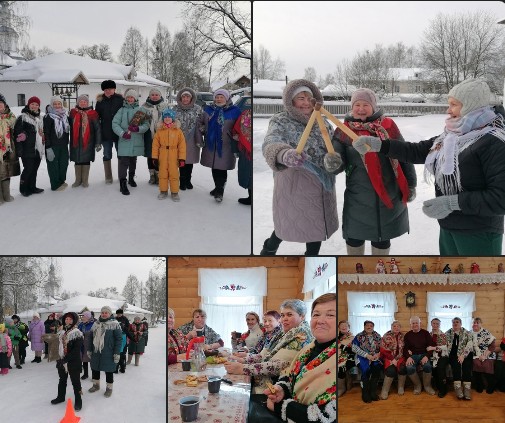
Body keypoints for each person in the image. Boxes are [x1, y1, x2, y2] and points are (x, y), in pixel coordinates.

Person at [353, 78, 505, 255]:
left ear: (470, 106)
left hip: (479, 233)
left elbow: (500, 198)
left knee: (476, 282)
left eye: (454, 105)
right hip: (449, 227)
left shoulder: (494, 142)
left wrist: (452, 203)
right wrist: (380, 145)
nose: (448, 110)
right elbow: (418, 150)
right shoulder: (452, 136)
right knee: (450, 281)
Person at [333, 88, 416, 255]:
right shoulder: (344, 130)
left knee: (382, 236)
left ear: (374, 106)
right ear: (352, 106)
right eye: (357, 104)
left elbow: (403, 154)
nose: (361, 109)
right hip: (358, 197)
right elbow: (337, 162)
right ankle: (355, 273)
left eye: (366, 104)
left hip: (389, 192)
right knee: (354, 236)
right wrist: (333, 162)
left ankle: (378, 274)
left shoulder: (388, 126)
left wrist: (411, 184)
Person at [261, 79, 340, 256]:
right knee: (289, 223)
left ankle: (311, 259)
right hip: (295, 182)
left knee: (316, 225)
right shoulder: (281, 120)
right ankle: (268, 250)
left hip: (323, 182)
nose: (306, 102)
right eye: (300, 98)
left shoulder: (323, 121)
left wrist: (337, 157)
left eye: (309, 98)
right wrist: (284, 154)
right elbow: (270, 143)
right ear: (291, 100)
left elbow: (335, 144)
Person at [253, 293, 336, 423]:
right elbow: (291, 374)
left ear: (302, 317)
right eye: (316, 314)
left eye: (330, 315)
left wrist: (280, 406)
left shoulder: (301, 335)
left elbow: (327, 415)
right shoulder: (309, 348)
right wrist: (282, 388)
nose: (320, 320)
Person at [225, 299, 313, 394]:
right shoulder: (284, 332)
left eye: (289, 314)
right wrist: (243, 361)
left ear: (302, 316)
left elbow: (280, 365)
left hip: (278, 388)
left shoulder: (302, 334)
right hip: (266, 379)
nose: (284, 319)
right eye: (282, 315)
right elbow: (264, 354)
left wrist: (243, 368)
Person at [200, 88, 241, 202]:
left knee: (222, 168)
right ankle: (217, 187)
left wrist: (236, 135)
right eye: (217, 97)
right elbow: (201, 122)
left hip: (225, 144)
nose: (218, 99)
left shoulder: (235, 111)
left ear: (227, 98)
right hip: (211, 143)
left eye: (221, 97)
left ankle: (219, 192)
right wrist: (203, 129)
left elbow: (240, 126)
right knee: (214, 166)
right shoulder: (208, 110)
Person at [112, 88, 149, 195]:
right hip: (124, 139)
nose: (130, 99)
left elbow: (146, 124)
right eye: (128, 97)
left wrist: (138, 129)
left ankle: (131, 178)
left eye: (132, 97)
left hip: (136, 140)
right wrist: (122, 133)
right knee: (123, 162)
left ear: (135, 98)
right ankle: (122, 183)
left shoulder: (141, 110)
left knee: (133, 160)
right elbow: (115, 124)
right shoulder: (121, 110)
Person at [50, 312, 83, 411]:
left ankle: (78, 401)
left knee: (75, 382)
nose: (68, 321)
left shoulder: (77, 333)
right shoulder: (61, 332)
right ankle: (60, 397)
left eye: (70, 319)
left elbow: (76, 350)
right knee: (62, 380)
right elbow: (57, 346)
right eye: (66, 319)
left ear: (74, 321)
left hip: (73, 361)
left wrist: (65, 359)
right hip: (61, 361)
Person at [87, 306, 122, 398]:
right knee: (95, 368)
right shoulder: (96, 324)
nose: (104, 314)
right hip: (96, 351)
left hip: (109, 352)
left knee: (109, 370)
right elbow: (90, 338)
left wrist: (117, 353)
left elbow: (119, 339)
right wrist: (90, 349)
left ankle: (109, 388)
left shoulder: (114, 324)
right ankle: (96, 385)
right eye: (102, 312)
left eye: (106, 312)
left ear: (110, 314)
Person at [151, 108, 186, 201]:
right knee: (162, 174)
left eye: (169, 117)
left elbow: (182, 146)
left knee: (174, 174)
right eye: (165, 117)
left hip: (174, 155)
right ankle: (163, 191)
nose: (167, 118)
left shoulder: (178, 131)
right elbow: (155, 145)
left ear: (173, 118)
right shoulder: (159, 131)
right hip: (162, 154)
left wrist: (182, 158)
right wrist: (154, 157)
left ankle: (174, 192)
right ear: (163, 119)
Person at [172, 87, 203, 190]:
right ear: (180, 98)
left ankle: (188, 180)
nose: (185, 99)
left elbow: (203, 122)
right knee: (181, 159)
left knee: (189, 160)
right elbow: (169, 121)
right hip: (178, 138)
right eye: (183, 97)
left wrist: (202, 130)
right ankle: (182, 180)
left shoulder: (198, 109)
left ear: (191, 98)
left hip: (192, 138)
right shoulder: (175, 109)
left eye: (187, 97)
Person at [13, 96, 45, 196]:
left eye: (36, 105)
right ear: (28, 105)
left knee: (34, 169)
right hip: (27, 149)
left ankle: (32, 187)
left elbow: (41, 133)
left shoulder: (40, 118)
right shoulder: (22, 118)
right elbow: (17, 135)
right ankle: (23, 189)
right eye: (32, 104)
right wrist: (19, 149)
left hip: (37, 149)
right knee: (28, 169)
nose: (34, 106)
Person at [69, 94, 102, 188]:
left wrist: (98, 142)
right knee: (77, 160)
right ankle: (78, 180)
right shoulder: (73, 113)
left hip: (88, 142)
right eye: (81, 101)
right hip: (75, 142)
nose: (83, 103)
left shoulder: (93, 113)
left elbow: (98, 129)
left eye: (85, 102)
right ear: (78, 102)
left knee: (86, 160)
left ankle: (85, 180)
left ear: (87, 103)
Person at [95, 80, 124, 184]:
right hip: (105, 133)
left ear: (114, 89)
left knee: (120, 154)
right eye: (106, 89)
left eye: (110, 89)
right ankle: (108, 176)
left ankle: (122, 176)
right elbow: (97, 117)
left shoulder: (120, 99)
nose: (108, 91)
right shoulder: (100, 101)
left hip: (118, 133)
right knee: (107, 154)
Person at [401, 316, 436, 395]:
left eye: (416, 323)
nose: (415, 324)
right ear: (410, 325)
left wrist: (427, 356)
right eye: (413, 323)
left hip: (424, 354)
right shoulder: (407, 335)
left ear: (420, 323)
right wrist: (408, 357)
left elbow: (431, 347)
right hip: (413, 355)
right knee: (409, 367)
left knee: (427, 366)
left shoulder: (425, 333)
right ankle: (417, 386)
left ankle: (427, 386)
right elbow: (405, 349)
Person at [43, 95, 70, 191]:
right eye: (55, 104)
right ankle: (55, 185)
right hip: (53, 145)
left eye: (59, 103)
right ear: (51, 105)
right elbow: (46, 132)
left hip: (63, 144)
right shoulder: (48, 117)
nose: (57, 105)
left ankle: (61, 181)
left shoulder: (65, 116)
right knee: (53, 166)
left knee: (63, 164)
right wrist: (48, 147)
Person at [142, 87, 169, 185]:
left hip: (161, 134)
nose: (154, 96)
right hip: (148, 134)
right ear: (149, 96)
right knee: (150, 155)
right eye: (152, 95)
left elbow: (170, 119)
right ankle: (152, 175)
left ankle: (159, 175)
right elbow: (137, 120)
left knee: (160, 155)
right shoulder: (144, 106)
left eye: (156, 95)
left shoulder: (165, 106)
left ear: (160, 96)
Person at [351, 320, 382, 403]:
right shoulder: (359, 336)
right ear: (364, 327)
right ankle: (365, 393)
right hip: (362, 357)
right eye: (367, 325)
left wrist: (378, 354)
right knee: (366, 370)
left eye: (371, 326)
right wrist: (367, 356)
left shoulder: (377, 336)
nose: (369, 327)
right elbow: (354, 348)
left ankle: (373, 392)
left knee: (376, 369)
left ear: (373, 327)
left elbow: (382, 347)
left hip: (375, 357)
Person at [445, 317, 474, 399]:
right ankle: (458, 388)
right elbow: (443, 344)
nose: (455, 323)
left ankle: (467, 389)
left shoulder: (467, 333)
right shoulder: (448, 333)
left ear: (461, 324)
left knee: (467, 366)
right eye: (453, 322)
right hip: (453, 355)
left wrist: (463, 355)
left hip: (466, 354)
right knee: (456, 366)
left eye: (457, 322)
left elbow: (470, 345)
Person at [0, 93, 20, 204]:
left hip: (9, 148)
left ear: (5, 104)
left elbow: (16, 132)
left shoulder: (11, 117)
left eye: (1, 103)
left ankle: (7, 195)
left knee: (7, 171)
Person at [379, 320, 406, 399]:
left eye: (398, 326)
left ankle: (400, 387)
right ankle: (385, 390)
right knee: (391, 370)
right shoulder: (386, 335)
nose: (396, 328)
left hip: (400, 357)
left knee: (403, 368)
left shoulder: (403, 336)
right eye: (394, 326)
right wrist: (392, 359)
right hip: (388, 357)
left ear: (400, 328)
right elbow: (383, 349)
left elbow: (405, 347)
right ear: (391, 327)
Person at [232, 106, 252, 205]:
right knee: (246, 173)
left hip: (251, 151)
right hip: (245, 150)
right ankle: (250, 197)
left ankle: (251, 197)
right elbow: (236, 130)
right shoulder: (245, 114)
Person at [471, 317, 496, 394]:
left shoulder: (486, 332)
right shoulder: (469, 333)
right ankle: (479, 386)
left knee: (487, 365)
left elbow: (492, 346)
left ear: (480, 324)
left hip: (487, 353)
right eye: (474, 323)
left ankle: (491, 386)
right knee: (476, 364)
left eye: (477, 323)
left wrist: (485, 355)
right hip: (475, 354)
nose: (475, 324)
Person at [427, 317, 449, 397]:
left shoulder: (443, 335)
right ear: (431, 324)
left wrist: (433, 348)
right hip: (432, 355)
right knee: (432, 368)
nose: (435, 325)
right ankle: (437, 386)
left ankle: (443, 389)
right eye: (434, 323)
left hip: (443, 355)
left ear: (439, 325)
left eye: (437, 324)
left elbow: (445, 347)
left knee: (440, 368)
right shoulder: (429, 335)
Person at [337, 320, 355, 398]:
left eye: (345, 326)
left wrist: (341, 346)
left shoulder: (353, 338)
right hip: (337, 356)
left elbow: (353, 350)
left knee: (341, 367)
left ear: (349, 328)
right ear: (339, 328)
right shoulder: (337, 337)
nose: (344, 327)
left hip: (350, 357)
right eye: (342, 326)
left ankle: (341, 388)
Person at [78, 311, 94, 380]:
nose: (82, 318)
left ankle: (94, 376)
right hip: (82, 345)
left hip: (90, 345)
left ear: (88, 317)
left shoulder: (93, 324)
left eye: (84, 316)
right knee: (84, 360)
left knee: (92, 361)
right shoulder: (81, 324)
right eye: (82, 316)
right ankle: (86, 374)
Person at [114, 309, 130, 373]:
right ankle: (116, 367)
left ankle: (123, 366)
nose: (119, 315)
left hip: (123, 336)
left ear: (122, 314)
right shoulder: (115, 319)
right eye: (118, 314)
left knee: (123, 353)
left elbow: (128, 327)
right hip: (116, 337)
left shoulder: (125, 319)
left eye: (120, 314)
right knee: (117, 352)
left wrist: (124, 327)